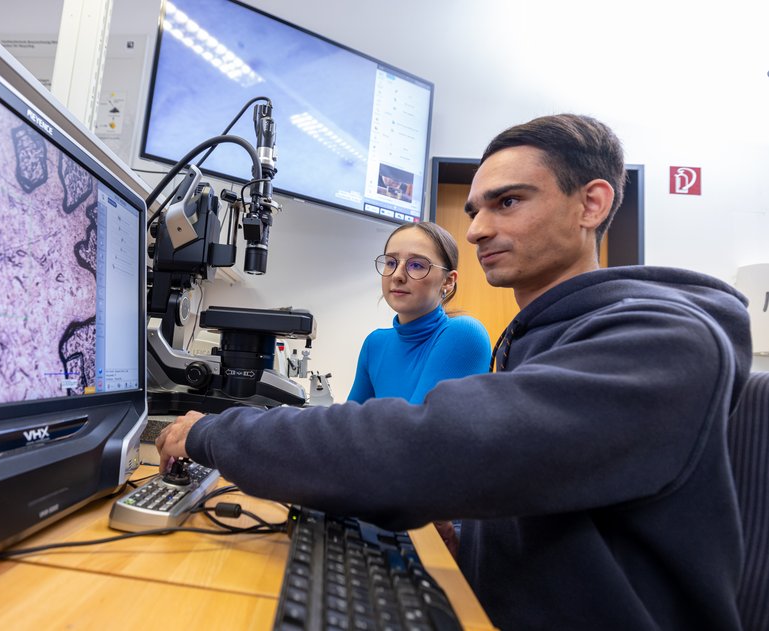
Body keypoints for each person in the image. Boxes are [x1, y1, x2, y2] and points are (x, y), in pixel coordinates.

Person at [156, 114, 752, 630]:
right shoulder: (541, 339)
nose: (476, 229)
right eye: (474, 209)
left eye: (508, 201)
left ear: (591, 204)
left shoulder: (660, 342)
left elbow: (422, 448)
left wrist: (214, 433)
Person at [347, 221, 490, 405]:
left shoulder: (464, 334)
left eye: (416, 265)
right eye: (391, 262)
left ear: (448, 281)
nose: (397, 275)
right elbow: (346, 426)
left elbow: (415, 428)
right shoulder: (374, 344)